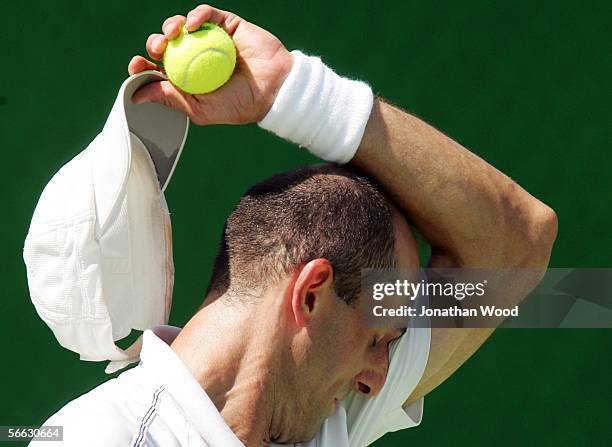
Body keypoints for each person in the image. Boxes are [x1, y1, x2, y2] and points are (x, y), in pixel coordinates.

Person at [29, 4, 557, 447]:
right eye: (381, 337)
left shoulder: (325, 412)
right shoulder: (95, 437)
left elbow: (516, 245)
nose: (378, 377)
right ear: (311, 295)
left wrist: (296, 93)